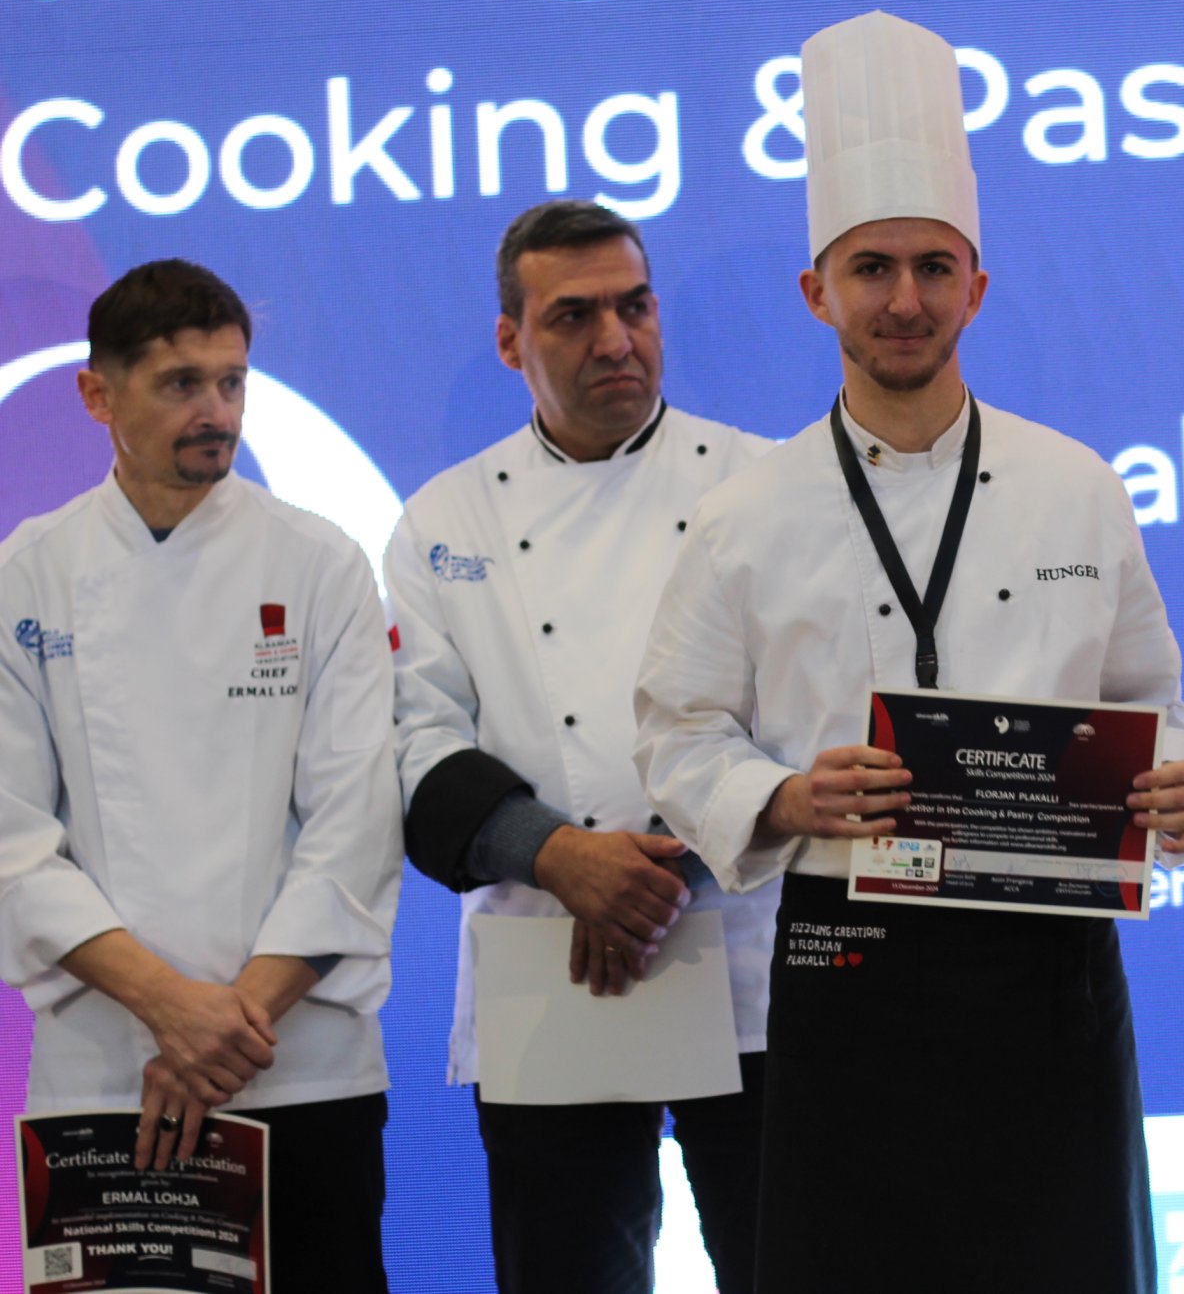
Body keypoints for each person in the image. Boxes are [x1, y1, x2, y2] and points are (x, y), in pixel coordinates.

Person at [632, 10, 1184, 1294]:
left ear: (977, 288)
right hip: (847, 955)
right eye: (873, 268)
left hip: (1048, 960)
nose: (904, 300)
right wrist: (787, 796)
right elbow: (677, 732)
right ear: (817, 291)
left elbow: (1149, 699)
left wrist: (1173, 780)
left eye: (933, 268)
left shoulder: (1077, 487)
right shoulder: (745, 514)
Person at [386, 200, 777, 1294]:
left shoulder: (764, 488)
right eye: (573, 317)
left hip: (742, 947)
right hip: (546, 952)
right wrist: (565, 857)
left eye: (634, 307)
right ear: (510, 341)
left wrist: (650, 876)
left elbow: (811, 718)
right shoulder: (443, 523)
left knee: (783, 1260)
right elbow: (416, 744)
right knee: (567, 1273)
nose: (615, 340)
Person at [0, 259, 402, 1290]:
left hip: (301, 1067)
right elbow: (11, 841)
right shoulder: (28, 574)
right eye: (182, 383)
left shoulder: (321, 563)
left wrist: (220, 1027)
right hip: (107, 1073)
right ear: (98, 394)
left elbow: (356, 819)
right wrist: (170, 1010)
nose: (216, 412)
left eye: (231, 382)